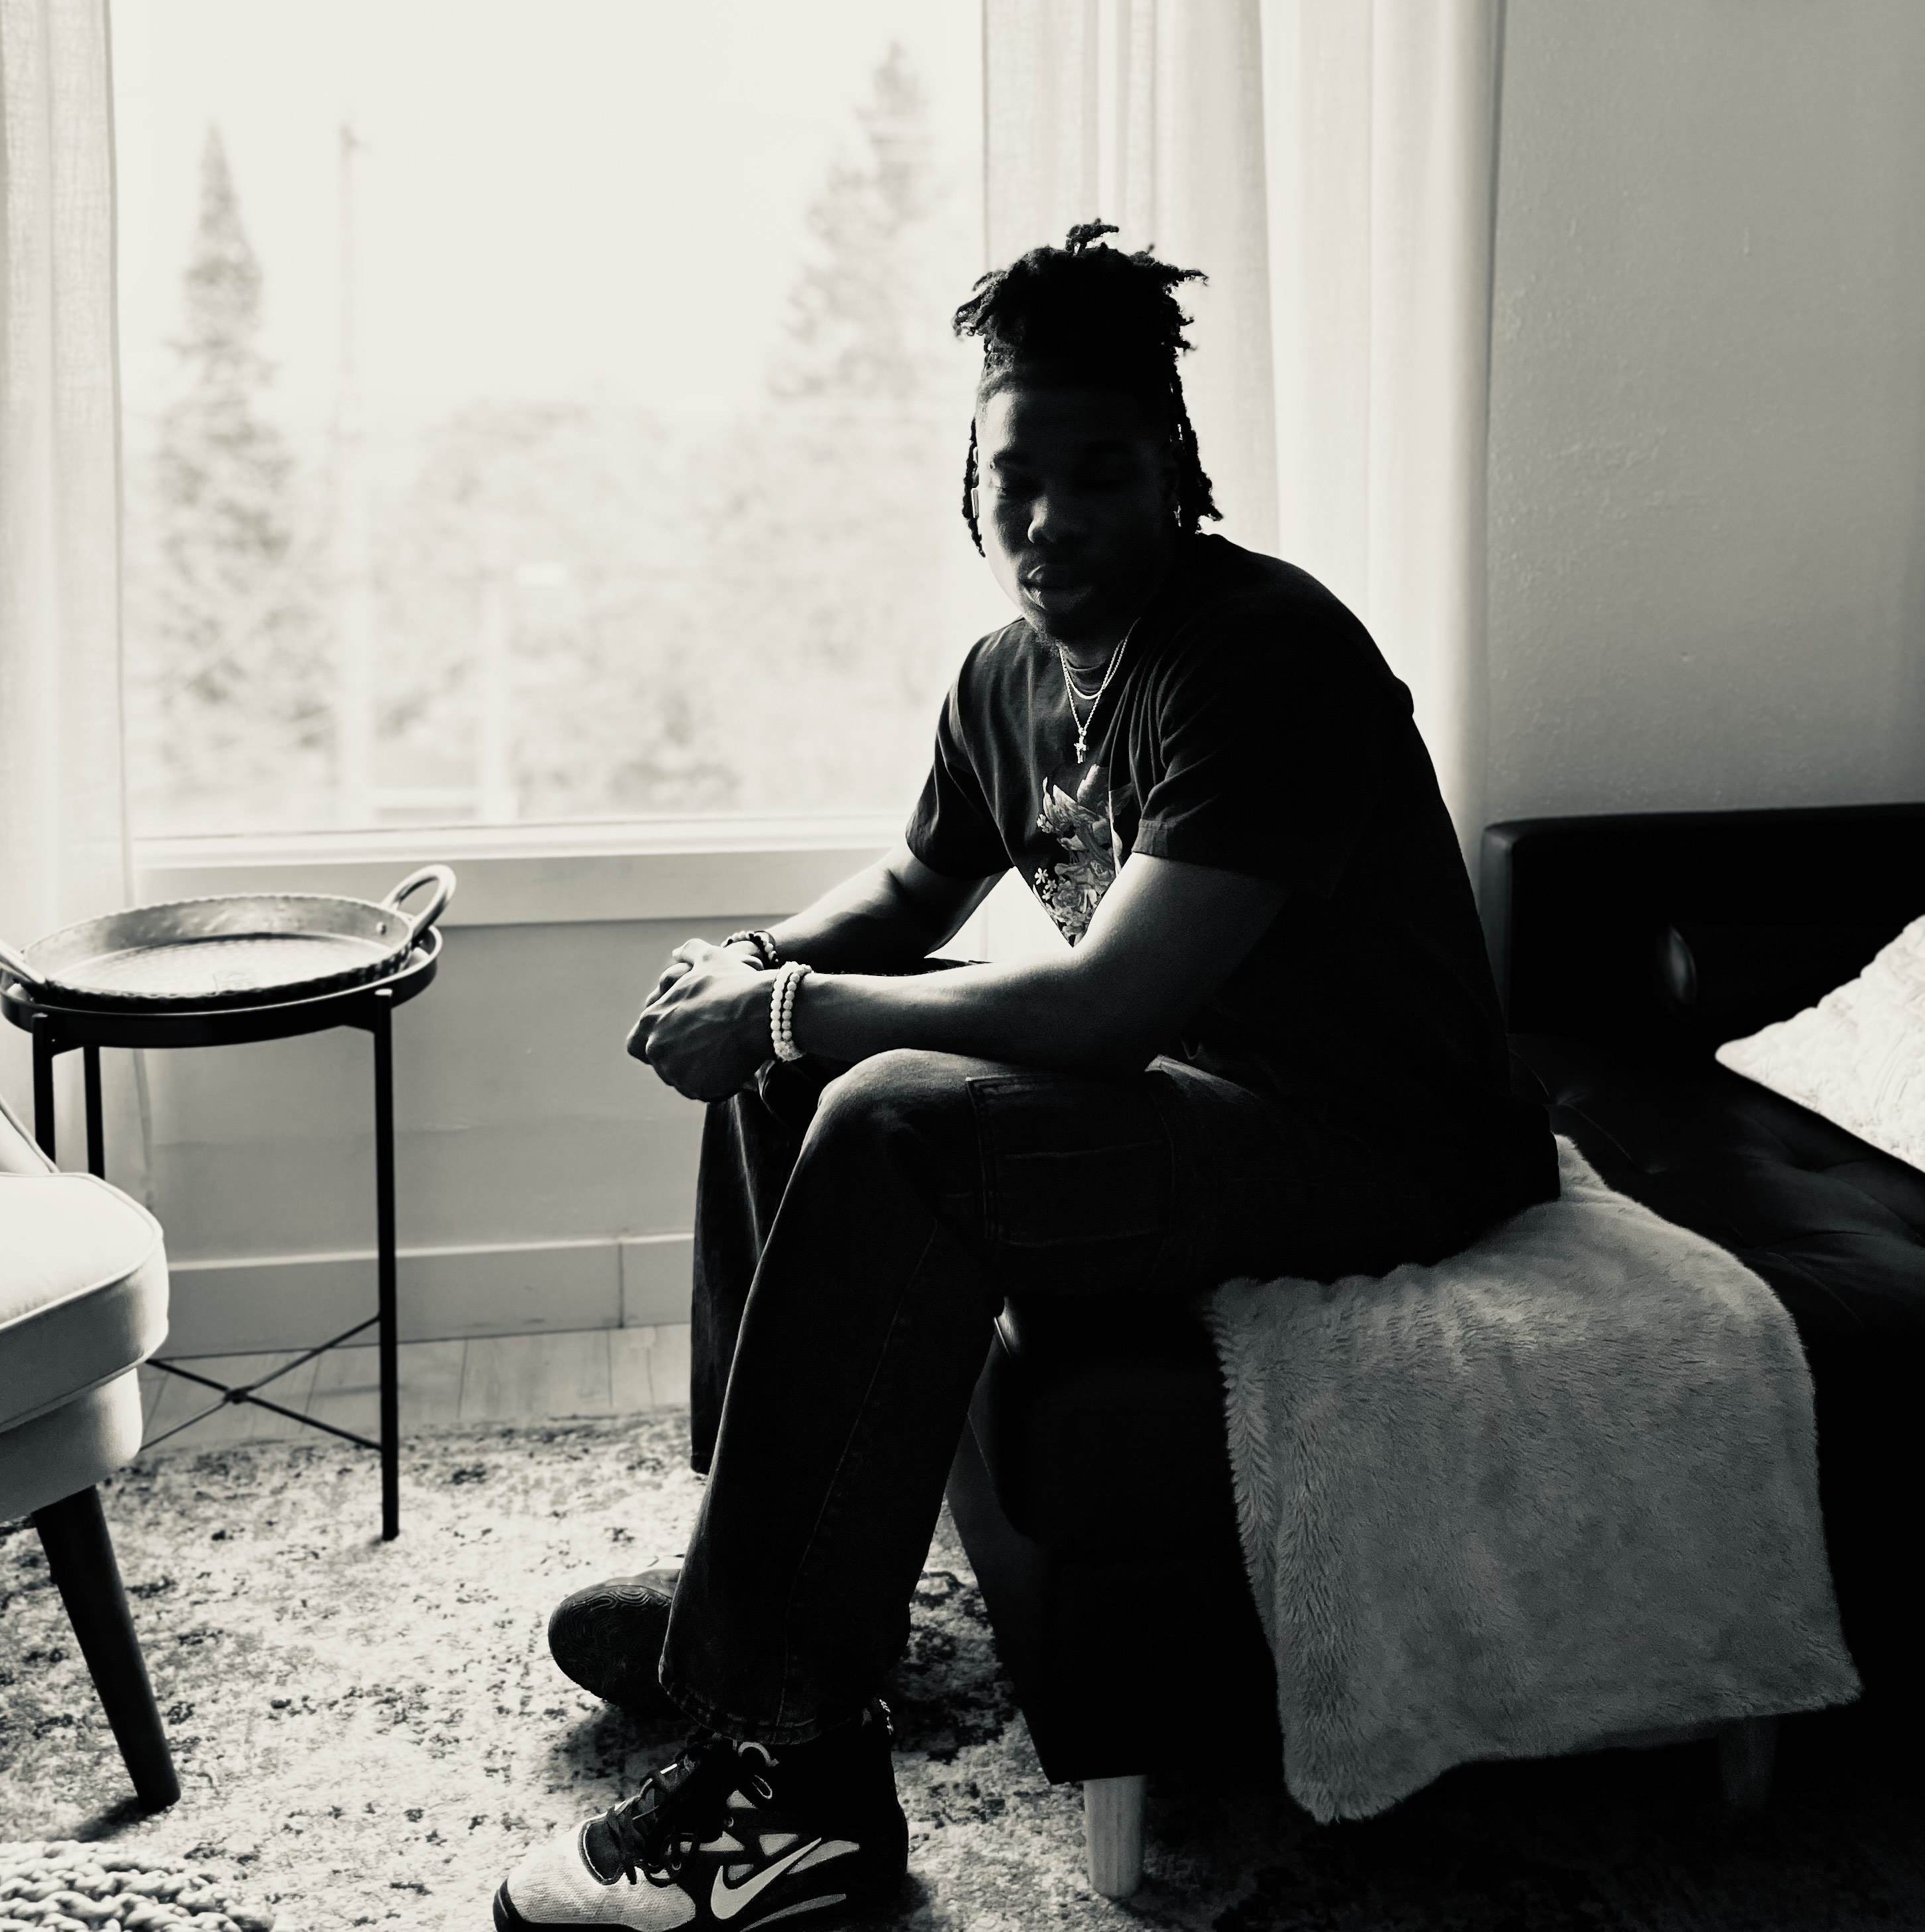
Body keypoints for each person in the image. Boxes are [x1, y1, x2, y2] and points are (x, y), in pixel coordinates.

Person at [493, 221, 1559, 1931]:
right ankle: (766, 1603)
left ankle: (799, 1796)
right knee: (789, 1058)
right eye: (1016, 479)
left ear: (1177, 476)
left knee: (884, 1106)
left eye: (1100, 474)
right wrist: (756, 967)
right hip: (1202, 1096)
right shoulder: (1006, 675)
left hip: (1369, 1140)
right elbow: (912, 891)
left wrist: (792, 1012)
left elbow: (1107, 1008)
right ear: (969, 485)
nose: (1050, 517)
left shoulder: (1264, 654)